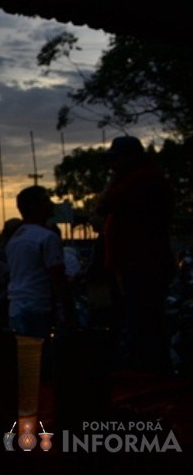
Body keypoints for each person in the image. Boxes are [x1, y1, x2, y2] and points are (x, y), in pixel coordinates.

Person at [93, 135, 174, 374]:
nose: (112, 166)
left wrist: (113, 182)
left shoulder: (141, 180)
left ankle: (150, 373)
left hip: (142, 264)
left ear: (128, 158)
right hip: (139, 263)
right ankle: (150, 370)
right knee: (143, 321)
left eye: (115, 160)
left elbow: (103, 205)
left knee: (143, 322)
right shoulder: (144, 179)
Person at [5, 186, 73, 339]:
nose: (50, 204)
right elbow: (58, 278)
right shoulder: (47, 237)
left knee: (26, 360)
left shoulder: (15, 238)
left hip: (16, 309)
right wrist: (69, 313)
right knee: (43, 358)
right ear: (33, 207)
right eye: (45, 201)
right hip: (39, 309)